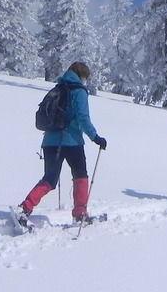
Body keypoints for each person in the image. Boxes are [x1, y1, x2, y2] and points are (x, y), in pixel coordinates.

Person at [15, 61, 107, 226]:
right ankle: (80, 215)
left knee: (49, 180)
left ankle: (24, 208)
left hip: (50, 142)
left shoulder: (58, 88)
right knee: (81, 177)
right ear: (82, 76)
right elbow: (83, 118)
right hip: (72, 142)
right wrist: (96, 137)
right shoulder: (79, 91)